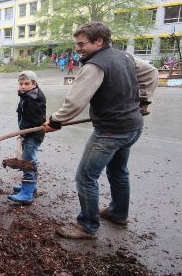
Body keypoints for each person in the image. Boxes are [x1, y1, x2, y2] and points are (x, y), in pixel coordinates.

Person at [45, 21, 158, 239]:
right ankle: (118, 213)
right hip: (132, 127)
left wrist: (56, 121)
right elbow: (151, 72)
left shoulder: (95, 66)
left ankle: (87, 226)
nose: (78, 48)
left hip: (110, 132)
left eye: (81, 44)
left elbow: (75, 101)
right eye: (76, 43)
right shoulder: (125, 56)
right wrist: (144, 101)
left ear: (98, 41)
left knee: (86, 176)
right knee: (118, 171)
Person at [7, 71, 46, 205]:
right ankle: (30, 187)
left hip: (32, 134)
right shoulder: (27, 95)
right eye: (21, 83)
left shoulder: (32, 99)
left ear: (34, 84)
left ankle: (26, 194)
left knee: (28, 162)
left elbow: (35, 121)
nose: (23, 86)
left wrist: (22, 133)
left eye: (27, 83)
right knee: (31, 161)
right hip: (29, 133)